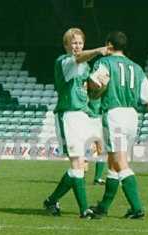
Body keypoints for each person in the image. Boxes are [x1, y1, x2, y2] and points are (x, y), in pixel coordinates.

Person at [88, 31, 148, 219]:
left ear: (108, 44)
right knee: (113, 163)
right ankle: (103, 207)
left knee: (120, 162)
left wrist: (91, 89)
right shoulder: (136, 68)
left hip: (114, 113)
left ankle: (137, 208)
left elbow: (96, 83)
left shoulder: (104, 62)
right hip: (132, 115)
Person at [43, 28, 110, 218]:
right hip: (68, 115)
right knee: (77, 163)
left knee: (79, 166)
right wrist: (98, 51)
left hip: (83, 115)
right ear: (66, 45)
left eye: (80, 43)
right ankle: (84, 209)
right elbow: (79, 59)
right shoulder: (64, 61)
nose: (77, 46)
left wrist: (102, 85)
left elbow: (92, 93)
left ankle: (51, 201)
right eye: (73, 43)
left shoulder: (85, 67)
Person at [87, 98, 106, 185]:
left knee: (101, 150)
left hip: (99, 119)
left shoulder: (103, 91)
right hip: (89, 120)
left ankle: (97, 178)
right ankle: (79, 175)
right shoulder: (88, 89)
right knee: (87, 150)